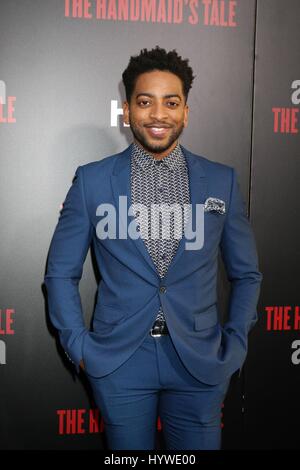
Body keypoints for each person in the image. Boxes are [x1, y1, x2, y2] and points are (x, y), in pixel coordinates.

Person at [44, 46, 262, 450]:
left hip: (199, 363)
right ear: (127, 110)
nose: (158, 114)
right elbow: (60, 273)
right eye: (145, 102)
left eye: (171, 102)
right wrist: (81, 348)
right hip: (121, 361)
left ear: (185, 112)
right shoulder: (92, 182)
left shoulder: (221, 181)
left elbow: (247, 274)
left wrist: (234, 346)